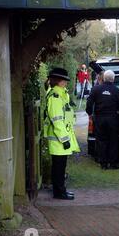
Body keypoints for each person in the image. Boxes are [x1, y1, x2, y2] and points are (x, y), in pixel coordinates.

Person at [43, 68, 80, 200]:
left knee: (60, 166)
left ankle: (61, 190)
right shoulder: (55, 96)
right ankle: (59, 192)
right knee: (58, 167)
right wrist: (64, 139)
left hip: (61, 137)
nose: (65, 82)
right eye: (64, 80)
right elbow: (57, 120)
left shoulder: (62, 94)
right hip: (59, 138)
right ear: (58, 81)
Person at [86, 70, 119, 170]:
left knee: (101, 140)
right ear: (113, 79)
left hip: (100, 118)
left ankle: (103, 163)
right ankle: (113, 163)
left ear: (103, 78)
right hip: (112, 119)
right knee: (113, 140)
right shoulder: (116, 90)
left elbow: (89, 102)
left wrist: (90, 113)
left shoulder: (96, 89)